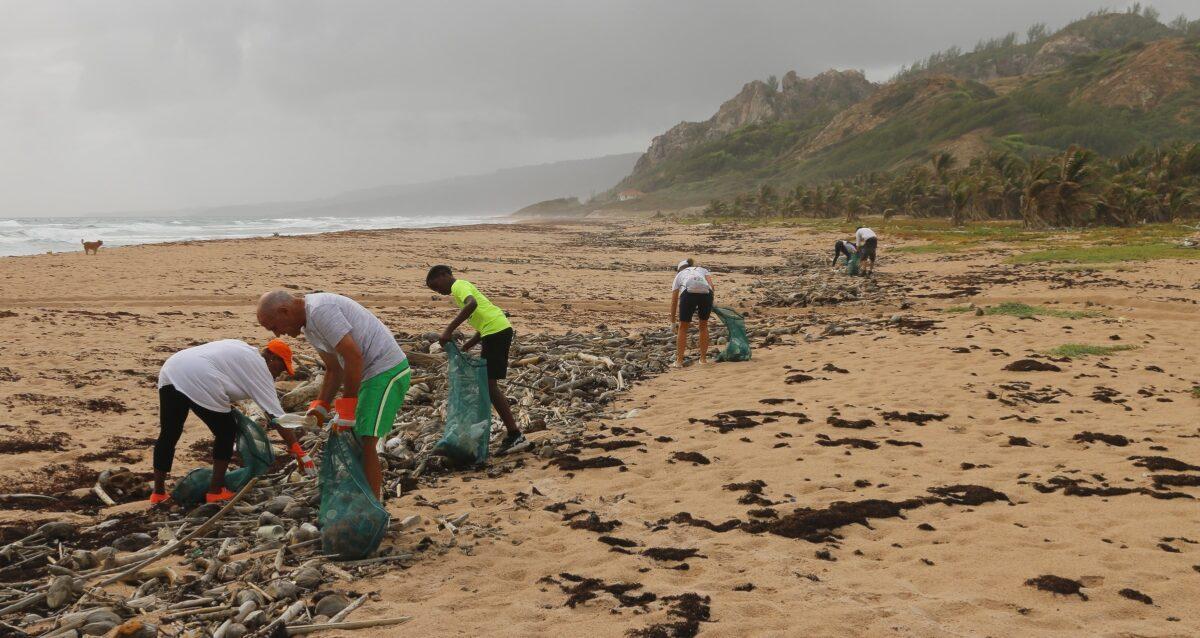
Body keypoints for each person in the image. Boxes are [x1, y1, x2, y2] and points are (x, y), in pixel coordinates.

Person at [256, 290, 409, 500]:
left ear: (284, 311)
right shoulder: (309, 327)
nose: (277, 334)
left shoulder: (320, 310)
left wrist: (347, 409)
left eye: (274, 327)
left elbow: (353, 357)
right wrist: (320, 407)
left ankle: (372, 506)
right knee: (356, 437)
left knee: (366, 438)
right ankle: (362, 496)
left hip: (386, 370)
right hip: (368, 375)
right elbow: (334, 369)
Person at [151, 339, 314, 505]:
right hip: (200, 375)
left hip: (172, 368)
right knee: (227, 431)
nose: (280, 374)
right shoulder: (260, 368)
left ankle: (158, 493)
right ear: (272, 358)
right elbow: (278, 417)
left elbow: (224, 370)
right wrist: (298, 450)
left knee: (169, 432)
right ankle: (215, 492)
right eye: (281, 367)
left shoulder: (243, 348)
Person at [425, 265, 528, 455]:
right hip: (495, 330)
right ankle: (510, 432)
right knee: (488, 385)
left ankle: (515, 434)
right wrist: (469, 344)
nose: (437, 291)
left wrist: (448, 330)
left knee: (489, 386)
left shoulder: (459, 286)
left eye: (436, 286)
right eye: (434, 290)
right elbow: (483, 320)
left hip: (496, 332)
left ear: (444, 275)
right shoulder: (460, 291)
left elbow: (472, 305)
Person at [670, 258, 715, 367]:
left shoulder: (679, 275)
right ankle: (703, 359)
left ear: (679, 269)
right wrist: (709, 302)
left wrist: (672, 322)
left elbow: (674, 300)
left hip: (688, 294)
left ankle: (679, 361)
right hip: (706, 294)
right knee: (703, 326)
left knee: (683, 327)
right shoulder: (702, 270)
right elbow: (712, 287)